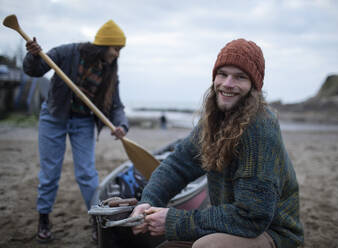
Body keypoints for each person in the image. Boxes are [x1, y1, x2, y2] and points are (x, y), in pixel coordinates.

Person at [131, 39, 304, 248]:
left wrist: (173, 220)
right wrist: (149, 202)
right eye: (222, 74)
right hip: (233, 225)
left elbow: (252, 217)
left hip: (273, 233)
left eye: (240, 77)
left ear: (254, 86)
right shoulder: (215, 119)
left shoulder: (260, 129)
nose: (228, 84)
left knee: (207, 246)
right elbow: (177, 165)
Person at [23, 20, 130, 243]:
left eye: (120, 50)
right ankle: (44, 219)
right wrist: (33, 55)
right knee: (50, 173)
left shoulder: (110, 71)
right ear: (103, 45)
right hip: (54, 117)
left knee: (86, 174)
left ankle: (96, 220)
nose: (117, 54)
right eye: (115, 48)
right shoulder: (67, 52)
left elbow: (116, 105)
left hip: (83, 122)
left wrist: (122, 125)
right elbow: (35, 69)